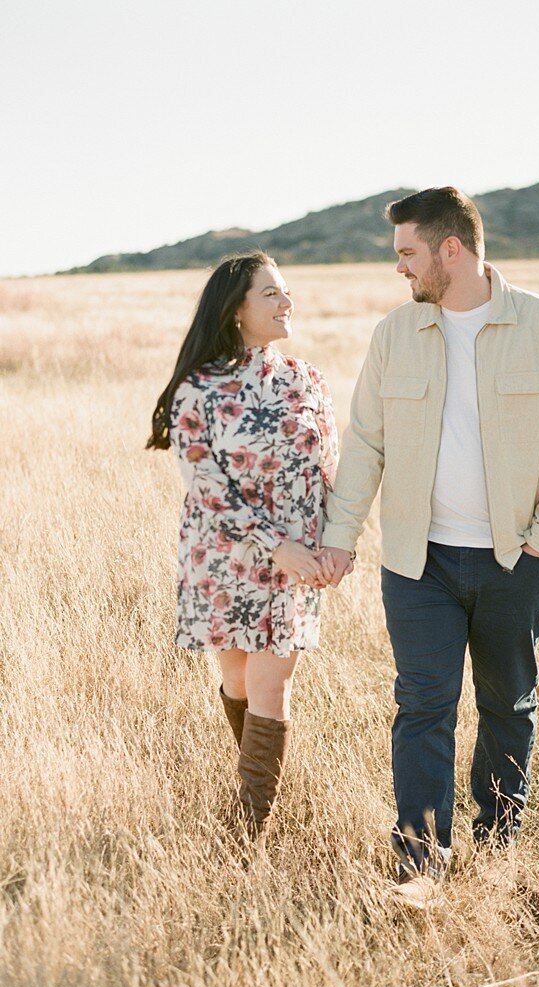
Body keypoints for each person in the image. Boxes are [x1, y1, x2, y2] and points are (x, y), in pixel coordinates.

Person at [320, 187, 539, 899]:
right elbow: (365, 445)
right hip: (419, 565)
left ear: (452, 249)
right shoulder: (395, 335)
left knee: (508, 706)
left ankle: (498, 842)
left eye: (408, 253)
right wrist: (340, 539)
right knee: (423, 707)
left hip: (515, 562)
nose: (400, 269)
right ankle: (420, 864)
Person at [146, 251, 347, 849]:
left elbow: (333, 468)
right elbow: (207, 489)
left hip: (297, 564)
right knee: (236, 677)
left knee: (270, 681)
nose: (288, 303)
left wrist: (337, 540)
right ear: (236, 310)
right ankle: (256, 779)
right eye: (272, 294)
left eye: (286, 292)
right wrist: (272, 546)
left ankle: (249, 828)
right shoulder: (197, 390)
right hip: (224, 557)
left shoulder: (307, 379)